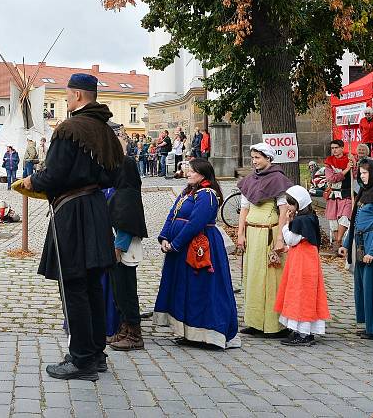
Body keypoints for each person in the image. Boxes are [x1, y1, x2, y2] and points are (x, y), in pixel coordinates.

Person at [20, 73, 123, 381]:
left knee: (74, 287)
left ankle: (81, 360)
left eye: (67, 95)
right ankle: (95, 353)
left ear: (78, 96)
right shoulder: (105, 130)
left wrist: (30, 181)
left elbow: (53, 176)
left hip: (73, 212)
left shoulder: (70, 128)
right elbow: (116, 176)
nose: (65, 100)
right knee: (91, 286)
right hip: (94, 208)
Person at [154, 159, 241, 349]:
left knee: (203, 289)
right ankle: (189, 333)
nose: (188, 174)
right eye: (188, 171)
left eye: (192, 171)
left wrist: (176, 244)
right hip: (182, 248)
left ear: (202, 174)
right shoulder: (187, 192)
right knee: (184, 289)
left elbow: (195, 223)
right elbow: (172, 215)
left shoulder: (208, 195)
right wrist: (164, 237)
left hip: (201, 248)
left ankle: (209, 334)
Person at [237, 142, 293, 337]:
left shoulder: (278, 179)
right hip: (252, 234)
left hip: (269, 234)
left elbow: (284, 210)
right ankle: (254, 322)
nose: (254, 161)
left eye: (258, 157)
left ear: (268, 158)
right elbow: (244, 207)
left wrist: (280, 238)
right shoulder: (250, 179)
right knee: (252, 277)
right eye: (252, 158)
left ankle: (272, 325)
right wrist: (240, 233)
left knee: (270, 279)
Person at [339, 159, 373, 339]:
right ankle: (368, 324)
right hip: (360, 241)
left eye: (365, 173)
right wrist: (346, 244)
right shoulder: (363, 192)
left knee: (372, 287)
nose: (362, 176)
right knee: (361, 286)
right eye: (360, 173)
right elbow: (354, 219)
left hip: (372, 243)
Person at [274, 185, 330, 346]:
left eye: (291, 204)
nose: (289, 207)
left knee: (302, 294)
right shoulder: (309, 217)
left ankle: (303, 333)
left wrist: (285, 224)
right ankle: (302, 330)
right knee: (304, 293)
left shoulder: (302, 220)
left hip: (303, 263)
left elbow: (292, 239)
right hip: (305, 260)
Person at [105, 152, 148, 351]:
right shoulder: (122, 191)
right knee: (119, 292)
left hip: (124, 250)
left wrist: (117, 249)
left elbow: (125, 225)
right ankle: (124, 329)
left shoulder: (127, 194)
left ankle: (134, 334)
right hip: (119, 249)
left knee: (127, 292)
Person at [324, 139, 353, 249]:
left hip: (347, 194)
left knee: (345, 217)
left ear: (342, 148)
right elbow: (331, 178)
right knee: (333, 221)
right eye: (332, 148)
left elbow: (355, 175)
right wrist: (346, 170)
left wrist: (353, 165)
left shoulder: (349, 159)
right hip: (333, 195)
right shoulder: (329, 162)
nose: (334, 150)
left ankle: (339, 241)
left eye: (336, 148)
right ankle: (338, 245)